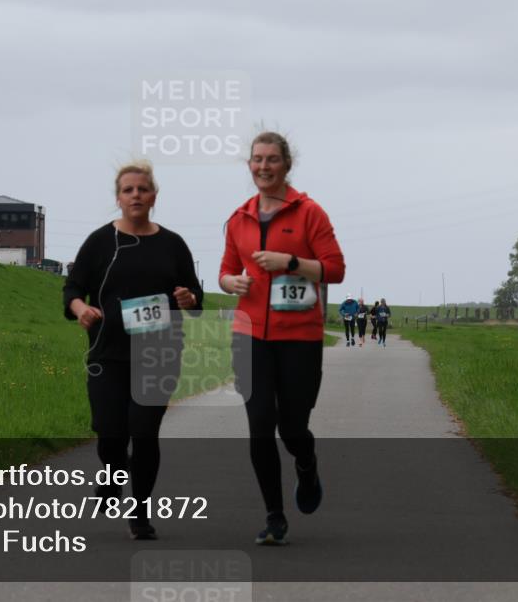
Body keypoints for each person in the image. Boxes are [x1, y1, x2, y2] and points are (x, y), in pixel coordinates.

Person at [63, 160, 203, 540]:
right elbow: (73, 289)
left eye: (143, 189)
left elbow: (194, 294)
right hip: (108, 353)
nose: (136, 195)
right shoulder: (100, 242)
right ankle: (113, 475)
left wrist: (189, 297)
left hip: (159, 353)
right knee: (110, 434)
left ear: (154, 196)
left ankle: (140, 512)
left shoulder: (172, 244)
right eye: (128, 190)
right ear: (118, 198)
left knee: (143, 434)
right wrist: (80, 309)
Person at [219, 131, 345, 545]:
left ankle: (306, 465)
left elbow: (335, 269)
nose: (264, 166)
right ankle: (274, 516)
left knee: (292, 428)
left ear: (286, 165)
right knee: (259, 425)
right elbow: (225, 272)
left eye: (272, 159)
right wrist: (232, 282)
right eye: (257, 159)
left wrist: (290, 262)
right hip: (250, 335)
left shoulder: (310, 213)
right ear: (249, 165)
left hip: (299, 338)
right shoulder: (238, 219)